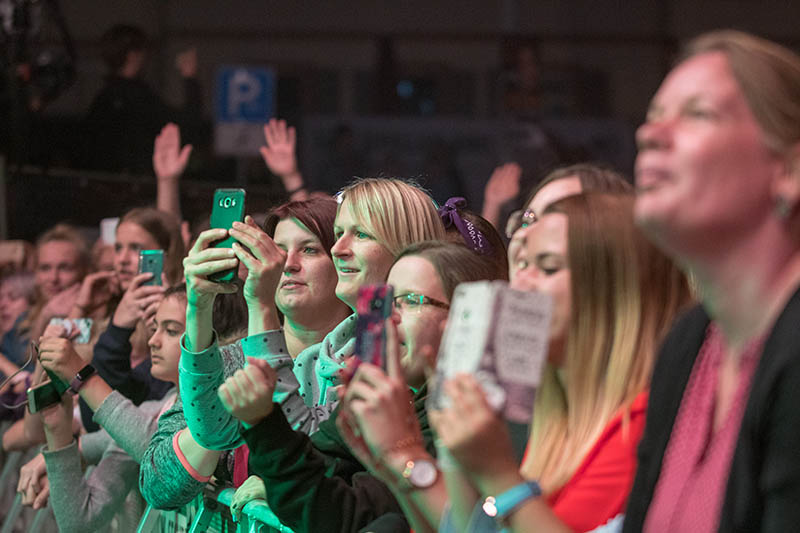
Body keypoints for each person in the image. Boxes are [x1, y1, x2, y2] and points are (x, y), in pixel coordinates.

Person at [339, 193, 691, 533]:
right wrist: (398, 455)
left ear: (615, 291)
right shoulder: (542, 418)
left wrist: (417, 457)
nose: (519, 283)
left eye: (547, 267)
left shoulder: (640, 424)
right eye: (520, 263)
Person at [622, 31, 800, 532]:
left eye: (698, 113)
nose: (649, 134)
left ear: (789, 169)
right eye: (655, 114)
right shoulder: (689, 341)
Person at [218, 240, 507, 532]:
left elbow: (342, 515)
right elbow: (318, 481)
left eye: (411, 301)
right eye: (388, 302)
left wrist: (265, 425)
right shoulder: (385, 390)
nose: (389, 318)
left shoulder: (474, 417)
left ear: (466, 318)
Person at [177, 178, 446, 454]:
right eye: (339, 233)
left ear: (408, 247)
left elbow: (307, 449)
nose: (338, 249)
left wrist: (261, 303)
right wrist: (199, 307)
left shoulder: (414, 345)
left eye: (361, 234)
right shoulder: (324, 354)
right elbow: (214, 430)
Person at [28, 284, 245, 533]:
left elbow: (161, 456)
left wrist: (84, 378)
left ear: (212, 337)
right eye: (154, 328)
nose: (154, 341)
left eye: (171, 331)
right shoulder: (153, 409)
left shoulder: (232, 412)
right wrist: (58, 432)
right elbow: (79, 520)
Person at [82, 24, 202, 173]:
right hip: (138, 187)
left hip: (104, 186)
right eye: (144, 52)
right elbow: (184, 127)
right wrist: (190, 78)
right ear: (133, 55)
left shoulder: (101, 100)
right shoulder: (139, 98)